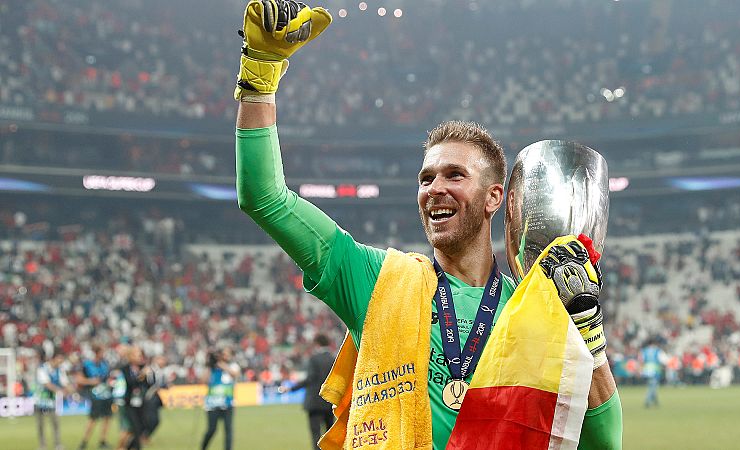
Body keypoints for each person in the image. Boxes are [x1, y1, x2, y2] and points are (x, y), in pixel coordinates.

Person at [232, 1, 622, 448]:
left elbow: (604, 443)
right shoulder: (377, 282)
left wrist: (589, 340)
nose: (434, 187)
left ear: (495, 197)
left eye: (455, 175)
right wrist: (259, 78)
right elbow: (264, 198)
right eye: (425, 178)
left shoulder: (532, 307)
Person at [283, 334, 336, 449]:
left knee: (315, 434)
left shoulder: (314, 359)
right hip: (329, 401)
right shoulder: (334, 358)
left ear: (317, 344)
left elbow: (310, 379)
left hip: (315, 402)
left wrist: (291, 388)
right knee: (330, 434)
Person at [200, 348, 240, 450]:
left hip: (227, 403)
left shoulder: (232, 366)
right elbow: (203, 381)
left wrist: (222, 365)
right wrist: (209, 365)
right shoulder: (212, 368)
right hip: (212, 404)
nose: (224, 357)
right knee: (212, 429)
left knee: (228, 430)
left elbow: (235, 374)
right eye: (222, 354)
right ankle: (203, 447)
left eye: (226, 355)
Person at [76, 345, 114, 450]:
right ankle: (84, 442)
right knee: (93, 419)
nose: (103, 354)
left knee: (107, 418)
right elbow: (78, 379)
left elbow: (108, 377)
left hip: (106, 394)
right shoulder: (86, 365)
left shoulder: (105, 364)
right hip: (95, 395)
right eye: (102, 352)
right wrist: (90, 381)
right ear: (96, 353)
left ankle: (103, 441)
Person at [34, 349, 69, 450]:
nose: (61, 362)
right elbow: (46, 384)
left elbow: (65, 383)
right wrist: (60, 391)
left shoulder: (60, 370)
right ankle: (42, 445)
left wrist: (72, 392)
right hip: (40, 399)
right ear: (54, 358)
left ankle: (57, 444)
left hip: (52, 401)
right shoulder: (42, 368)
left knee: (55, 423)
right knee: (40, 424)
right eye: (60, 359)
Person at [119, 346, 152, 450]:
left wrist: (148, 375)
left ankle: (126, 447)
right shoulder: (125, 368)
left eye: (140, 355)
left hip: (141, 402)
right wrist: (142, 375)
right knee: (134, 428)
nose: (139, 357)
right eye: (137, 355)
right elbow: (131, 383)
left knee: (142, 427)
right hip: (129, 403)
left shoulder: (143, 367)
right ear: (130, 356)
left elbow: (148, 385)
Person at [143, 355, 171, 443]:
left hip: (154, 398)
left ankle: (144, 436)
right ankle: (143, 436)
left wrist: (165, 385)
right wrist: (163, 385)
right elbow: (150, 383)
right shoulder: (150, 370)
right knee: (153, 420)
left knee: (152, 420)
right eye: (162, 359)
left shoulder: (159, 371)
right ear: (156, 360)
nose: (164, 361)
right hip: (149, 398)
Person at [640, 339, 665, 408]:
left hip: (647, 370)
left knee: (652, 385)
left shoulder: (644, 351)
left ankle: (656, 401)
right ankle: (647, 400)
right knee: (653, 386)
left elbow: (641, 360)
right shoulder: (657, 350)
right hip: (655, 370)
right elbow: (663, 360)